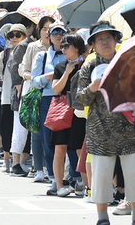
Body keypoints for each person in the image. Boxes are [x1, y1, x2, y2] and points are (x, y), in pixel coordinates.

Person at [73, 22, 135, 225]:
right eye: (100, 39)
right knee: (102, 176)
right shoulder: (89, 65)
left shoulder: (127, 62)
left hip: (129, 129)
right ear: (94, 44)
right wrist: (92, 87)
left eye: (109, 38)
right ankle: (102, 218)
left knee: (134, 175)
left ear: (116, 41)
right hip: (100, 129)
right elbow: (79, 100)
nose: (105, 42)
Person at [48, 33, 87, 197]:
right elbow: (56, 89)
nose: (63, 49)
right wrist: (67, 72)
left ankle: (87, 187)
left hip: (80, 111)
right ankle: (59, 186)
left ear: (77, 48)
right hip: (62, 111)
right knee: (60, 149)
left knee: (81, 150)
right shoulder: (60, 66)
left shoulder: (87, 65)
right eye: (61, 46)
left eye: (67, 46)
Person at [31, 22, 68, 191]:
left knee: (69, 140)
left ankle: (72, 177)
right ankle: (54, 178)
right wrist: (50, 76)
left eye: (62, 33)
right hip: (48, 99)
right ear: (49, 37)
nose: (59, 36)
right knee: (48, 140)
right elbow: (34, 81)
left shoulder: (71, 55)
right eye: (55, 33)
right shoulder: (42, 57)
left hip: (67, 98)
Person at [0, 24, 29, 173]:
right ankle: (6, 159)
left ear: (25, 36)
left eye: (18, 35)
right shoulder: (4, 54)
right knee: (7, 128)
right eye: (11, 35)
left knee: (25, 129)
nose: (14, 38)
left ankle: (22, 160)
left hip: (25, 95)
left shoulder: (28, 51)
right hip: (7, 96)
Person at [20, 15, 54, 180]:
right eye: (45, 29)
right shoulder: (34, 47)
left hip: (53, 93)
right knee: (37, 132)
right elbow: (23, 68)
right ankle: (39, 168)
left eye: (51, 29)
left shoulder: (61, 48)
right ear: (39, 30)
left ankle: (51, 169)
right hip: (35, 91)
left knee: (51, 133)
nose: (48, 32)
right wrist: (31, 77)